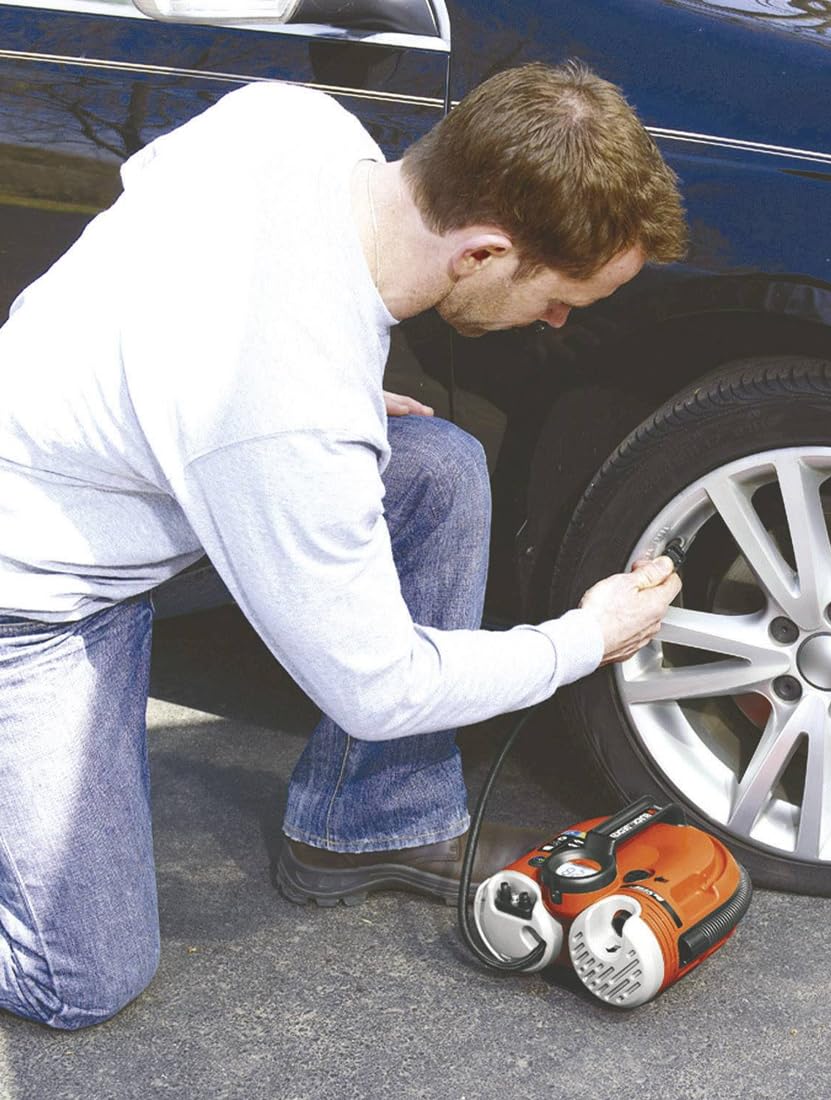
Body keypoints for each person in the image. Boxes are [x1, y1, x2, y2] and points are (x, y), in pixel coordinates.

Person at [0, 61, 686, 1030]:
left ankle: (370, 825)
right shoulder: (286, 415)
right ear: (483, 252)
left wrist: (231, 411)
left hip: (154, 483)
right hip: (34, 586)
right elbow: (378, 684)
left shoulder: (297, 124)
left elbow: (148, 206)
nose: (559, 321)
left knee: (433, 466)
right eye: (561, 294)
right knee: (81, 975)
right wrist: (583, 636)